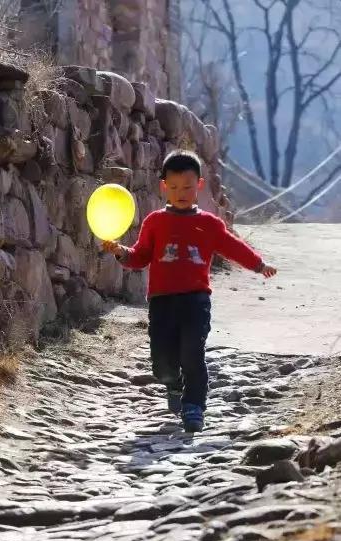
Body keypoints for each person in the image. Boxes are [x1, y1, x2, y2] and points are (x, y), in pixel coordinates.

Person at [102, 150, 277, 433]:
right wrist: (121, 252)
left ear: (199, 186)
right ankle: (173, 385)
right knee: (162, 361)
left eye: (186, 187)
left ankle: (195, 405)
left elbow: (233, 247)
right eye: (173, 187)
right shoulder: (155, 222)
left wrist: (259, 264)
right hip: (162, 301)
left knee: (192, 353)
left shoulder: (209, 224)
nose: (180, 192)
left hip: (196, 300)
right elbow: (140, 256)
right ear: (163, 187)